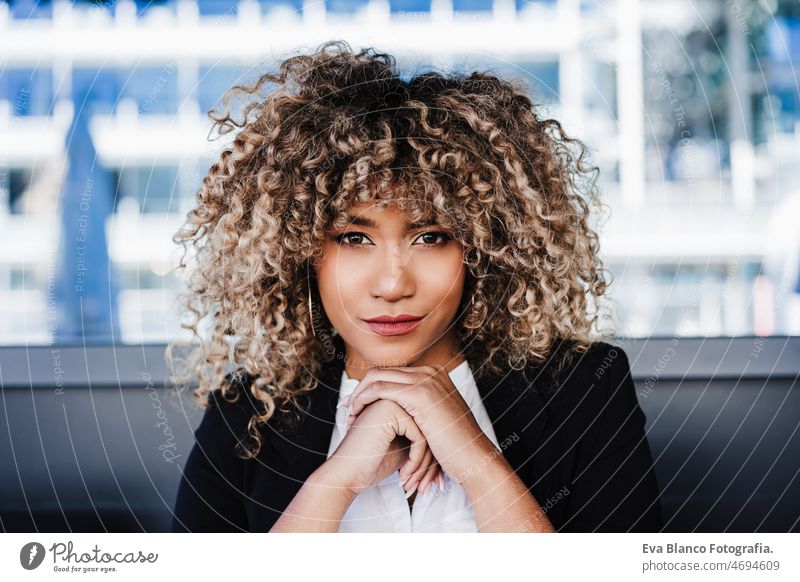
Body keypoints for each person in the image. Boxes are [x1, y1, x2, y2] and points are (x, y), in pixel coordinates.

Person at [167, 40, 663, 533]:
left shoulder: (584, 389)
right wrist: (337, 480)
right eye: (354, 237)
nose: (391, 284)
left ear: (484, 247)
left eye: (431, 236)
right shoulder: (248, 412)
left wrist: (471, 452)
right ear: (300, 249)